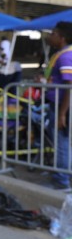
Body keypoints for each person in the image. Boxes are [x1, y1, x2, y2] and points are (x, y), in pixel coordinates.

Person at [44, 21, 72, 189]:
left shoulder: (66, 56)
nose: (49, 36)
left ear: (61, 37)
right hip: (58, 105)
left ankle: (61, 179)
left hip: (61, 106)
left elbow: (69, 86)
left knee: (61, 142)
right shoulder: (62, 53)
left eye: (53, 33)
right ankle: (61, 173)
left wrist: (62, 113)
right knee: (61, 141)